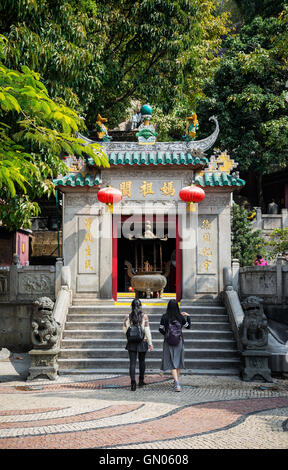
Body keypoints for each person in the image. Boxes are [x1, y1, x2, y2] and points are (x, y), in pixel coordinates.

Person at [159, 299, 191, 392]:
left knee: (170, 361)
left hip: (168, 341)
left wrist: (167, 335)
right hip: (179, 340)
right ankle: (176, 380)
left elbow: (160, 329)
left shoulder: (164, 317)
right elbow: (188, 326)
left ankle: (176, 383)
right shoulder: (180, 317)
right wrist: (188, 316)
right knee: (178, 361)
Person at [123, 299, 153, 391]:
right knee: (142, 361)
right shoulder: (144, 316)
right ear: (140, 306)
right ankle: (141, 380)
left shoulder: (127, 317)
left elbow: (125, 329)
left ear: (131, 306)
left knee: (132, 363)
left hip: (131, 342)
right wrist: (150, 343)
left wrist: (127, 339)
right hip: (142, 341)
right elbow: (147, 330)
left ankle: (132, 383)